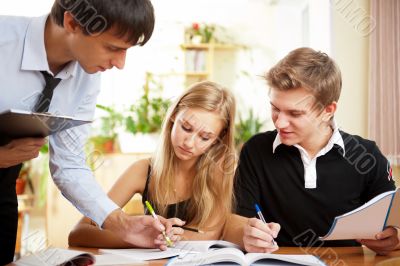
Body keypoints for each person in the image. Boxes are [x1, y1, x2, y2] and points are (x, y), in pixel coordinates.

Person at [0, 0, 170, 263]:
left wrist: (122, 224)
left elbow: (69, 164)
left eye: (126, 50)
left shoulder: (87, 74)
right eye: (112, 48)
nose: (120, 63)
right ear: (72, 23)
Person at [233, 47, 399, 255]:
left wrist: (393, 238)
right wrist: (246, 234)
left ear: (327, 111)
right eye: (275, 108)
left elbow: (392, 227)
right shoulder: (256, 150)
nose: (280, 122)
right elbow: (238, 221)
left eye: (295, 113)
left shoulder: (366, 155)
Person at [68, 81, 238, 247]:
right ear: (173, 116)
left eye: (205, 137)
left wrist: (168, 238)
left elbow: (208, 235)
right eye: (186, 127)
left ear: (218, 139)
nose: (189, 143)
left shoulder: (222, 173)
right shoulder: (143, 171)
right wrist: (135, 236)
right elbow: (79, 233)